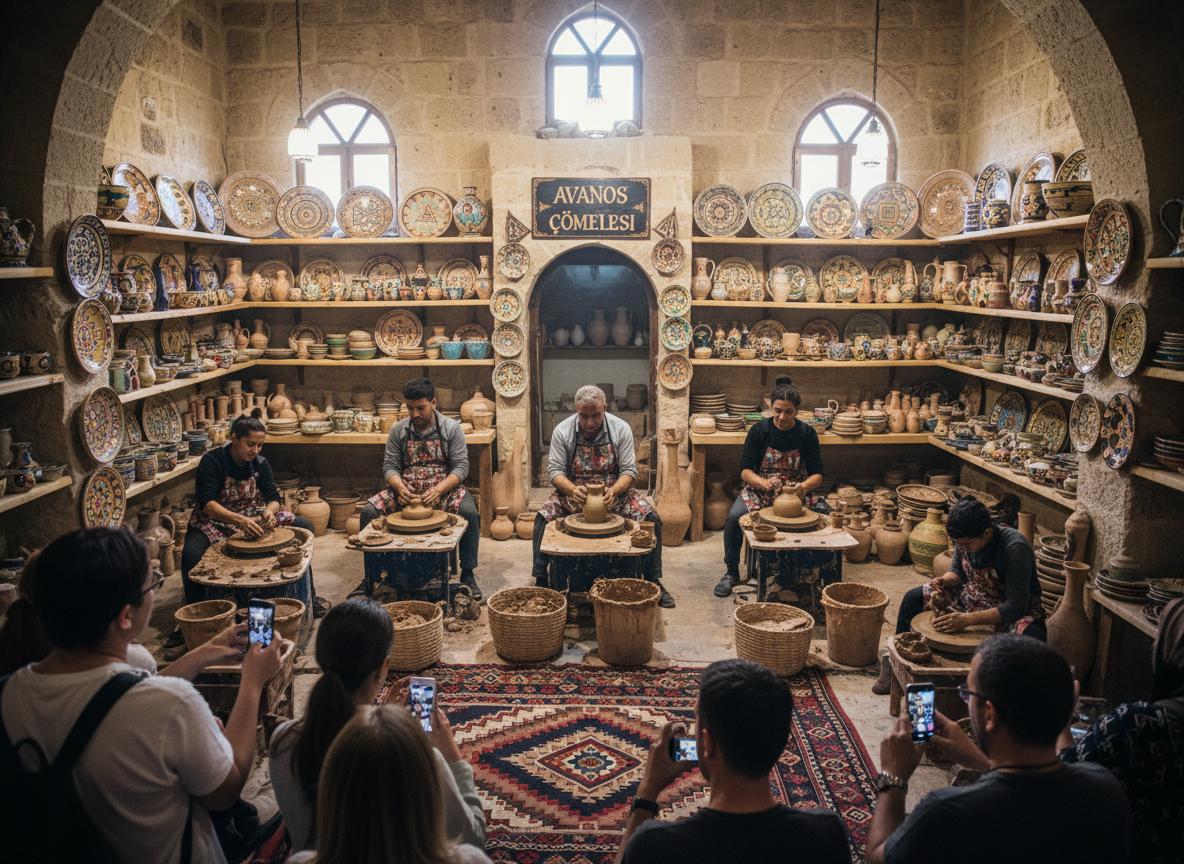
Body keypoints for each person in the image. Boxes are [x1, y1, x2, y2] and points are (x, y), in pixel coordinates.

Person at [0, 527, 282, 864]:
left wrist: (204, 652)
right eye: (152, 585)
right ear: (125, 615)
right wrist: (252, 681)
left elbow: (117, 700)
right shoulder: (171, 704)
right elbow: (225, 791)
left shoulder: (10, 691)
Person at [865, 634, 1132, 864]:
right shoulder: (1106, 791)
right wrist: (985, 762)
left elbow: (878, 857)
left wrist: (893, 778)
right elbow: (1028, 796)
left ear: (990, 714)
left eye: (968, 694)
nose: (967, 700)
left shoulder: (946, 813)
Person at [270, 597, 485, 852]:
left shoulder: (284, 742)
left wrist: (382, 716)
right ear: (384, 667)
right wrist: (452, 756)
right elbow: (472, 837)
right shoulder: (419, 757)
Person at [616, 659, 850, 863]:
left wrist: (647, 793)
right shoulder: (827, 833)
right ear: (781, 741)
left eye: (697, 718)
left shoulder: (653, 846)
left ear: (707, 743)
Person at [177, 411, 328, 642]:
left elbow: (273, 495)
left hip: (251, 515)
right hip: (215, 519)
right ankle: (196, 616)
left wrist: (269, 511)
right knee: (190, 555)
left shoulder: (260, 463)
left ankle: (310, 596)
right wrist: (238, 521)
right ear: (235, 439)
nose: (255, 450)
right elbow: (206, 503)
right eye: (250, 444)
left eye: (260, 445)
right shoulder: (213, 460)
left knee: (303, 526)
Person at [1057, 596, 1184, 863]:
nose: (1154, 643)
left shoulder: (1141, 724)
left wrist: (1062, 717)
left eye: (1161, 634)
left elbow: (1062, 779)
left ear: (1172, 652)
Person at [286, 705, 492, 864]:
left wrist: (377, 729)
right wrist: (454, 760)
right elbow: (473, 837)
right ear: (429, 791)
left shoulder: (299, 860)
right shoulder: (470, 859)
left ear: (331, 789)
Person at [533, 385, 674, 608]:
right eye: (584, 416)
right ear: (576, 410)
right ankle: (541, 578)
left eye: (595, 415)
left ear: (605, 408)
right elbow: (555, 472)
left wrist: (614, 491)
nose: (590, 422)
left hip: (613, 492)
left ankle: (652, 577)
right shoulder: (563, 430)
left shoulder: (621, 429)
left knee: (651, 519)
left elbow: (629, 471)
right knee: (542, 517)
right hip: (576, 492)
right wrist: (571, 490)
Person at [357, 378, 482, 600]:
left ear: (433, 402)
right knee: (368, 512)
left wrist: (439, 489)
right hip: (407, 489)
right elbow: (390, 467)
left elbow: (461, 467)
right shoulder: (398, 430)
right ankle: (373, 576)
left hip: (442, 489)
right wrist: (399, 487)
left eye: (420, 408)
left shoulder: (451, 429)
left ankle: (468, 573)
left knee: (470, 512)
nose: (415, 414)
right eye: (410, 408)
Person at [715, 383, 823, 598]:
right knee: (733, 518)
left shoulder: (806, 433)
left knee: (824, 518)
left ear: (797, 411)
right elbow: (745, 471)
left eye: (788, 411)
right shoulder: (759, 431)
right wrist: (763, 483)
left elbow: (818, 474)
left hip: (794, 493)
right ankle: (731, 572)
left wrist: (803, 487)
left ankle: (812, 574)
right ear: (771, 408)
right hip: (761, 489)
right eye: (778, 410)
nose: (782, 416)